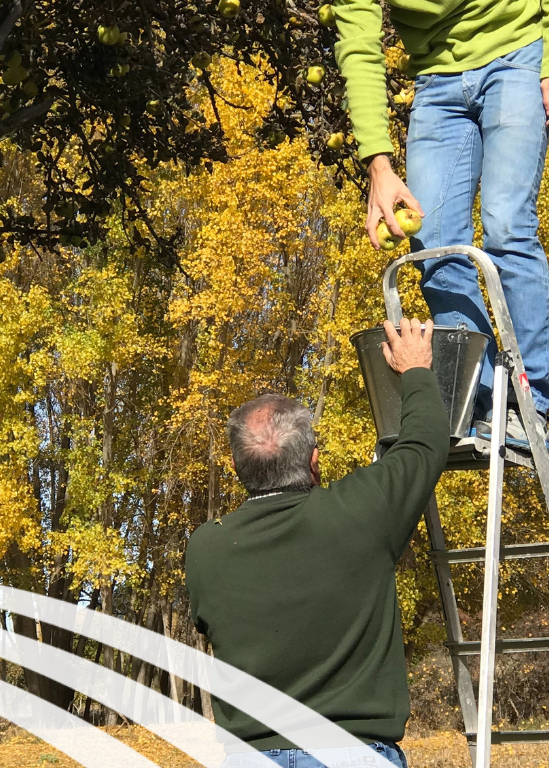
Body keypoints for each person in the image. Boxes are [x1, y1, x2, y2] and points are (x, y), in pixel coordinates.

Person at [323, 0, 549, 448]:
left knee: (507, 224)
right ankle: (477, 399)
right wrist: (379, 166)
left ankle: (528, 403)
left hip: (515, 55)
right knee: (435, 243)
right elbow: (359, 49)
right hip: (437, 83)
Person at [185, 318, 449, 768]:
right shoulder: (362, 511)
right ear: (313, 460)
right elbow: (424, 446)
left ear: (240, 469)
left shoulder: (205, 548)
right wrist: (416, 370)